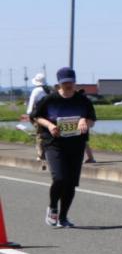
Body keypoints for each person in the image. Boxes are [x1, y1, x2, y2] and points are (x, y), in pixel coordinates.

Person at [31, 67, 96, 228]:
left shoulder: (83, 100)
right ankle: (53, 207)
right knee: (59, 178)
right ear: (59, 84)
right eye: (64, 82)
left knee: (71, 183)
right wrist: (50, 125)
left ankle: (63, 217)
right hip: (54, 144)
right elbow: (36, 116)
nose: (68, 85)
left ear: (75, 82)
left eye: (70, 82)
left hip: (76, 144)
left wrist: (85, 122)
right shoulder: (50, 100)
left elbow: (92, 119)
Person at [24, 72, 48, 167]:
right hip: (48, 116)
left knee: (39, 135)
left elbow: (31, 106)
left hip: (38, 116)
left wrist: (29, 114)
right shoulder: (48, 90)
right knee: (47, 134)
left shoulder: (36, 91)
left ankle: (40, 155)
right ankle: (47, 153)